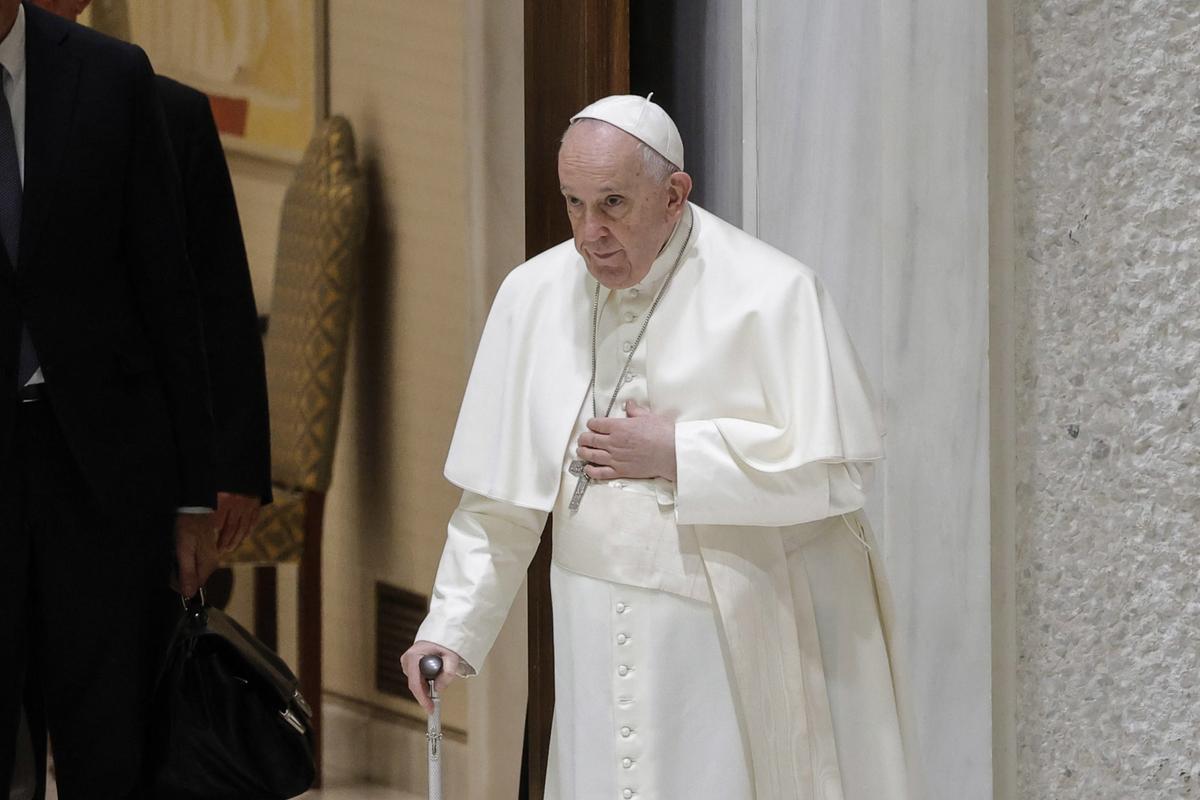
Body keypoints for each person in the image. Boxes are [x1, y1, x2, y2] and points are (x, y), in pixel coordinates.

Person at [402, 95, 922, 800]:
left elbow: (836, 478)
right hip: (588, 617)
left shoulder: (772, 294)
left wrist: (680, 452)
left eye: (614, 203)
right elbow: (500, 501)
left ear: (675, 195)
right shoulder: (532, 295)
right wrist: (451, 630)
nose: (592, 233)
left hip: (717, 631)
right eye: (575, 203)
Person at [0, 2, 220, 797]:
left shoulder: (110, 75)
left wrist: (196, 494)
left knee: (110, 747)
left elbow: (171, 291)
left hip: (102, 470)